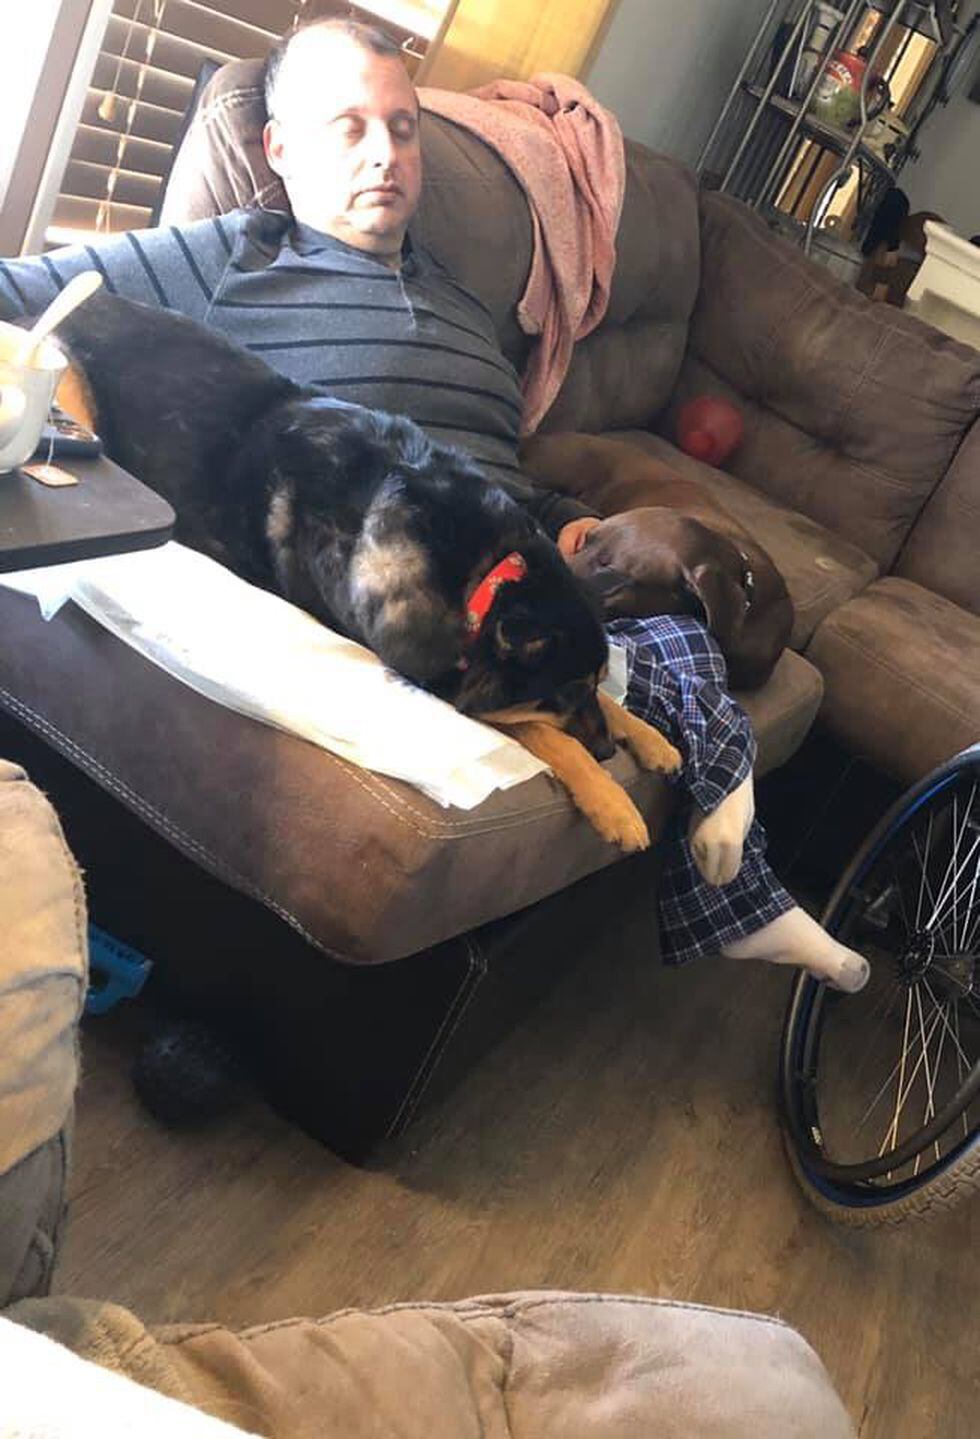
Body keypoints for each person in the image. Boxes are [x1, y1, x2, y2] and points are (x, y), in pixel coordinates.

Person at [0, 17, 867, 991]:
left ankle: (731, 865)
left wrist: (569, 523)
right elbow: (30, 300)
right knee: (606, 666)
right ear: (279, 150)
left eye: (402, 127)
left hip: (516, 547)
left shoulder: (460, 303)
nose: (385, 153)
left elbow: (502, 466)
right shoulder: (229, 257)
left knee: (692, 625)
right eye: (349, 127)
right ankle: (737, 878)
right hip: (388, 560)